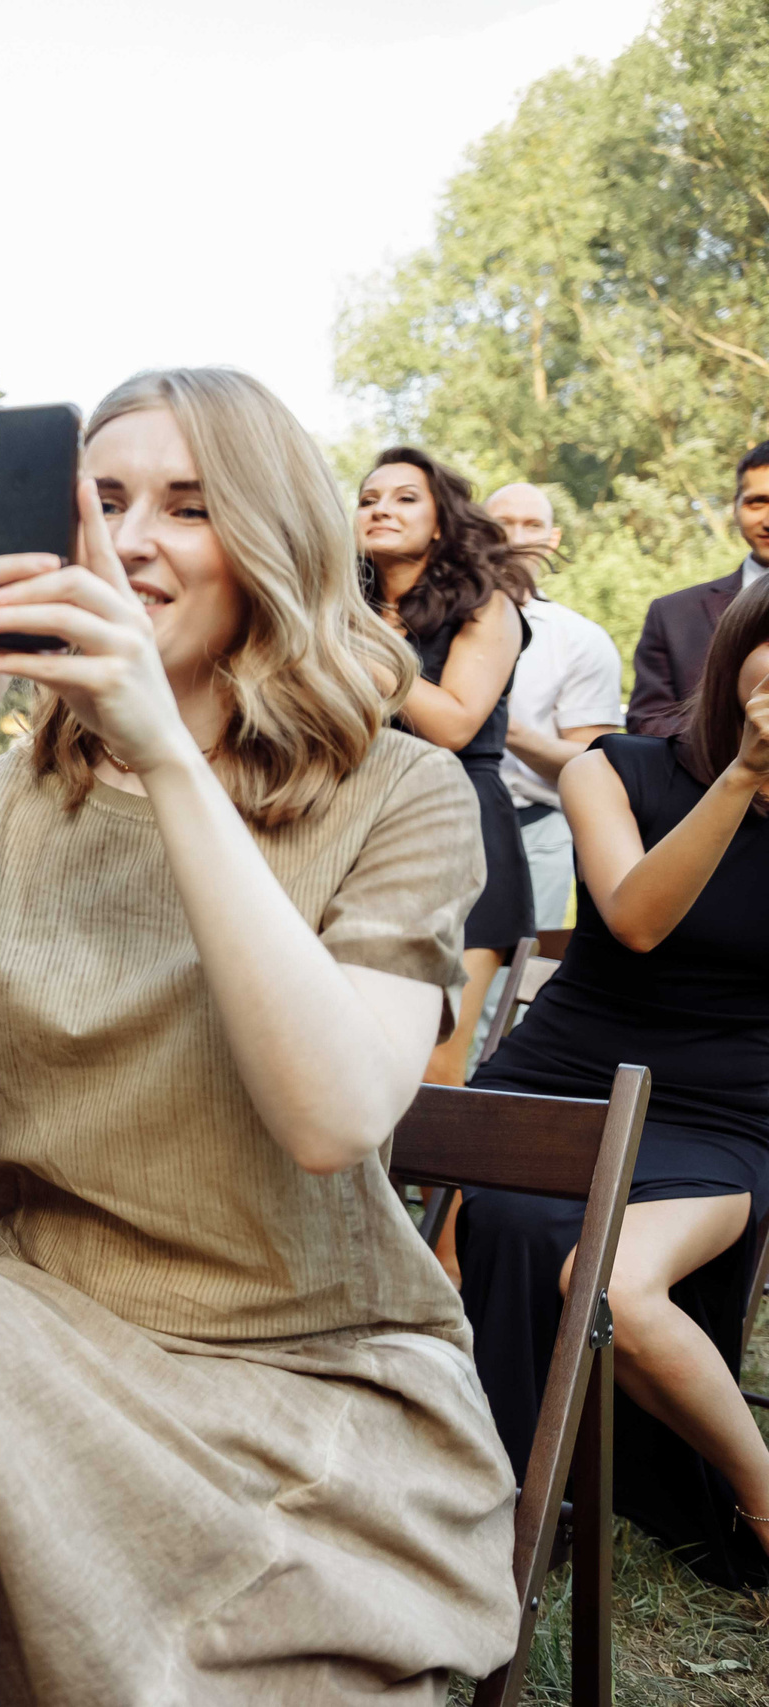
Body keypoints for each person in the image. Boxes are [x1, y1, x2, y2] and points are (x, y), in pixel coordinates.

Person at [0, 369, 519, 1704]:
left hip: (302, 1375)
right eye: (100, 502)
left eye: (186, 505)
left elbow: (335, 1113)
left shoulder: (398, 790)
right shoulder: (0, 797)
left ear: (273, 539)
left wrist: (166, 757)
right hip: (29, 1320)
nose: (129, 539)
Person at [456, 575, 769, 1591]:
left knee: (619, 1289)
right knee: (474, 1246)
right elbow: (635, 918)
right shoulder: (613, 768)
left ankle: (760, 1502)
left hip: (723, 1113)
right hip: (564, 1073)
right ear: (736, 663)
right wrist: (741, 780)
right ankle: (473, 1487)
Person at [359, 446, 535, 1082]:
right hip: (355, 828)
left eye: (405, 498)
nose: (381, 509)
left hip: (463, 828)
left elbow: (456, 723)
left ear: (440, 523)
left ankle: (458, 1189)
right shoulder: (333, 610)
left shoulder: (487, 606)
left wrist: (360, 642)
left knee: (434, 1065)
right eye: (368, 499)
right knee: (349, 1047)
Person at [484, 483, 623, 933]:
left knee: (511, 981)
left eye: (532, 525)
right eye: (502, 524)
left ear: (553, 539)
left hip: (536, 829)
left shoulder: (581, 639)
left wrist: (494, 721)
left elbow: (593, 759)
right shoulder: (428, 618)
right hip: (434, 818)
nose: (517, 538)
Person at [628, 440, 769, 736]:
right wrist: (736, 757)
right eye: (758, 501)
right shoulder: (673, 615)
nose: (768, 520)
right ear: (735, 507)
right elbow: (647, 722)